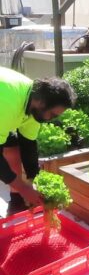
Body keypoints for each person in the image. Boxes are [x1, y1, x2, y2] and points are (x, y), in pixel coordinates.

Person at [0, 66, 76, 216]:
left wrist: (33, 179)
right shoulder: (8, 105)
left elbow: (28, 144)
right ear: (41, 101)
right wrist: (23, 188)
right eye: (52, 114)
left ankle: (17, 202)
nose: (49, 119)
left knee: (13, 145)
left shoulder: (33, 104)